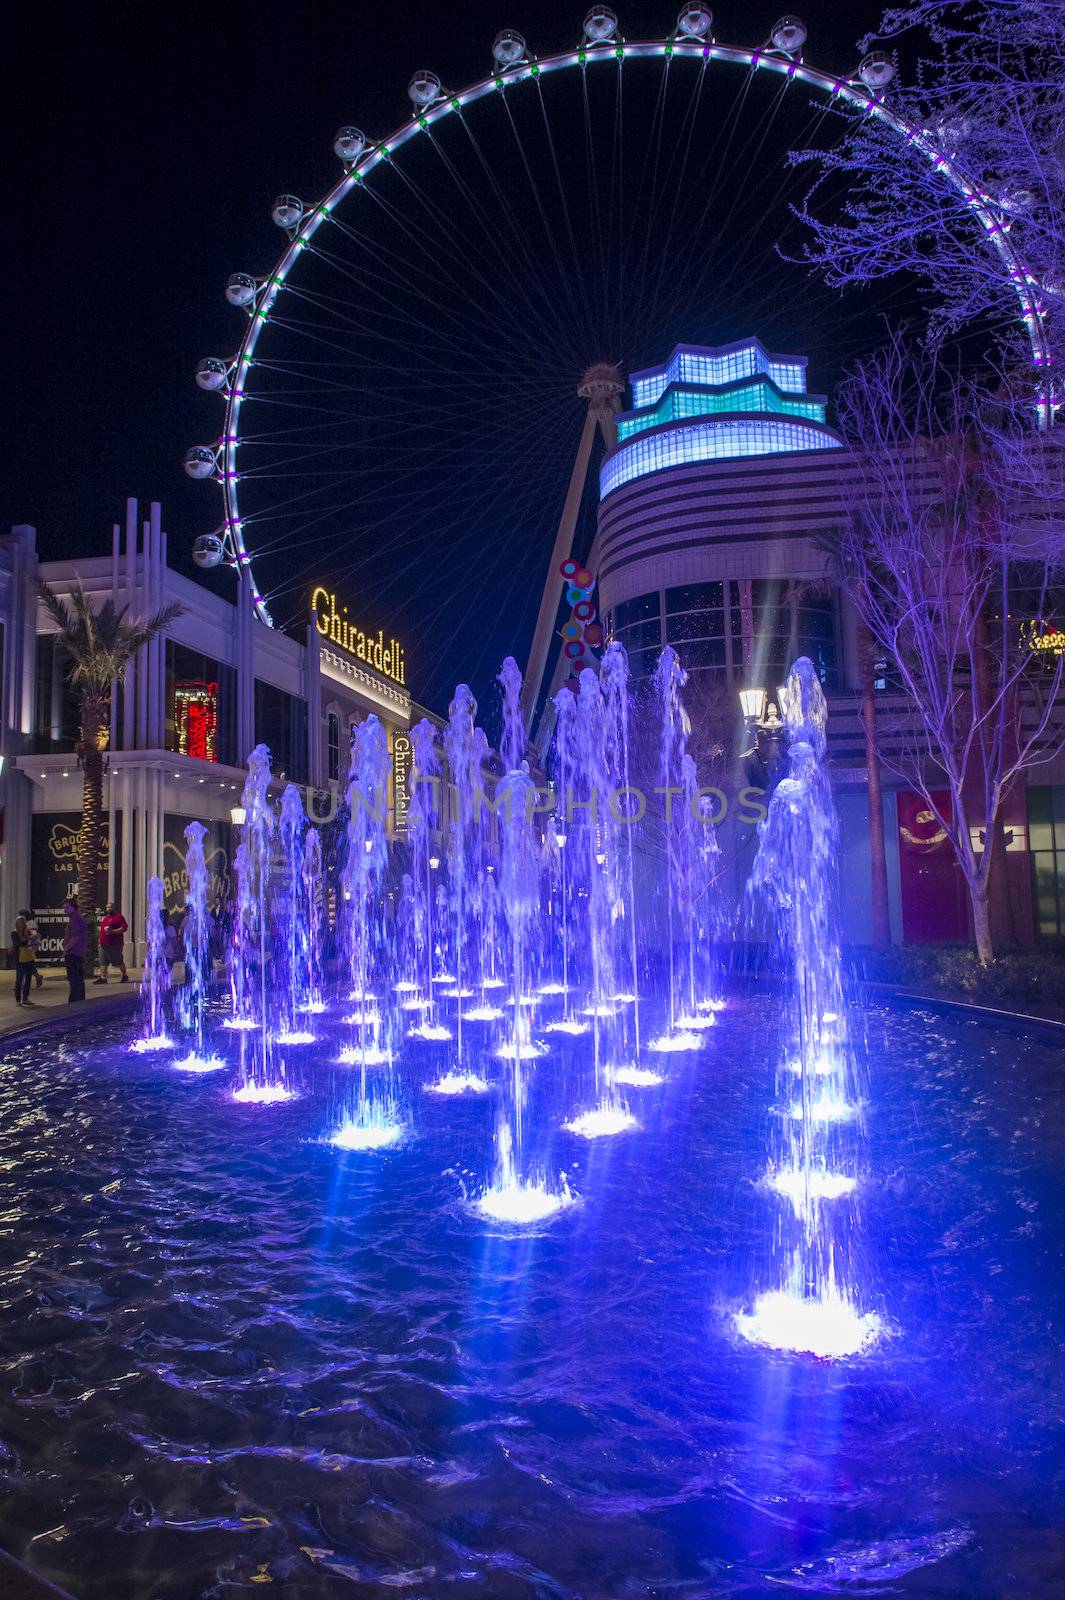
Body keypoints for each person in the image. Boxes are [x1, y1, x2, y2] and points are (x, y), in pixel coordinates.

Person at [95, 901, 129, 985]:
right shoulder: (106, 918)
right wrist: (99, 939)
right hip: (103, 944)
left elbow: (124, 928)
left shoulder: (119, 917)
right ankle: (103, 978)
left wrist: (113, 931)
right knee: (103, 961)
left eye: (110, 907)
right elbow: (103, 930)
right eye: (107, 907)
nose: (108, 909)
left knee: (118, 961)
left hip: (114, 944)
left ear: (114, 908)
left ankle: (124, 975)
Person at [10, 911, 37, 1007]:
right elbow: (19, 944)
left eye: (23, 923)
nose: (21, 924)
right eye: (19, 923)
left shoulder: (28, 932)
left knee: (28, 979)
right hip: (20, 959)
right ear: (16, 924)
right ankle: (18, 1000)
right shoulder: (14, 933)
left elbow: (34, 940)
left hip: (29, 958)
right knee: (19, 979)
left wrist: (32, 938)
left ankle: (25, 998)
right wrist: (30, 938)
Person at [62, 898, 87, 1003]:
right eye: (64, 908)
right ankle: (77, 999)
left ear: (73, 907)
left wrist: (66, 949)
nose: (65, 910)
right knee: (77, 979)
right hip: (77, 953)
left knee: (74, 979)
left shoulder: (75, 918)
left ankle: (75, 1001)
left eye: (67, 907)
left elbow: (76, 937)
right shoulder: (75, 917)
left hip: (74, 953)